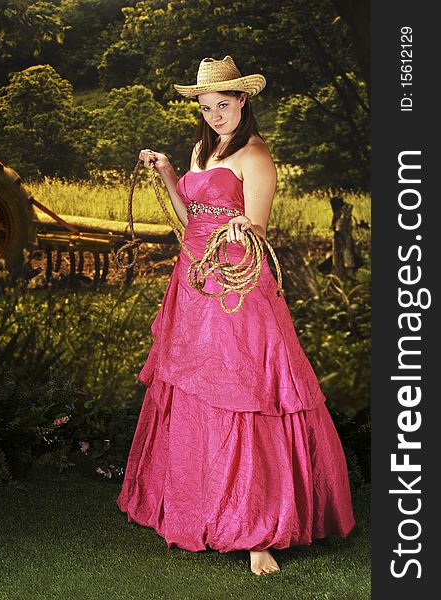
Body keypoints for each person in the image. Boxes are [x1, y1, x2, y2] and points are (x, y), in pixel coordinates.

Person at [116, 55, 355, 576]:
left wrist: (235, 234)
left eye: (221, 105)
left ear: (242, 100)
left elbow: (258, 230)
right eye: (205, 107)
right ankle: (196, 505)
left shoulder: (256, 157)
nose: (213, 114)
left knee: (244, 391)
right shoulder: (203, 148)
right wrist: (169, 173)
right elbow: (189, 220)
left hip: (235, 286)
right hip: (193, 282)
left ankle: (257, 531)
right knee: (194, 390)